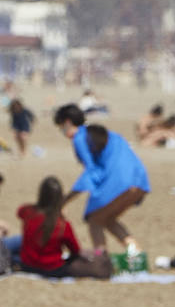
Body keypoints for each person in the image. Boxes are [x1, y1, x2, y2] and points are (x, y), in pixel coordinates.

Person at [54, 105, 150, 255]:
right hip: (139, 179)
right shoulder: (105, 134)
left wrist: (65, 200)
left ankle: (101, 257)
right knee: (107, 218)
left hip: (119, 181)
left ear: (67, 122)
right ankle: (135, 252)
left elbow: (91, 172)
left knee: (94, 219)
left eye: (60, 127)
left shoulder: (80, 138)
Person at [16, 176, 111, 279]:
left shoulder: (27, 211)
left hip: (27, 265)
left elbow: (20, 211)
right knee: (90, 257)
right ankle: (99, 253)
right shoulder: (62, 225)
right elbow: (75, 250)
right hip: (52, 268)